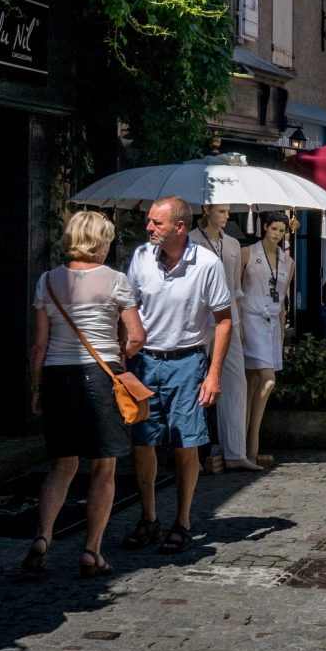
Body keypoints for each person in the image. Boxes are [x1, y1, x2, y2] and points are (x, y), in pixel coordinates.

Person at [24, 211, 145, 577]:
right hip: (100, 376)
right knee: (104, 467)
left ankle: (43, 536)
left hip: (59, 377)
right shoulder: (116, 281)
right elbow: (137, 336)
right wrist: (122, 352)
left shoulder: (47, 281)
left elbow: (39, 345)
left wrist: (37, 388)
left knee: (62, 464)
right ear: (100, 242)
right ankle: (92, 550)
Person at [123, 196, 234, 555]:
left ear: (180, 227)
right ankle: (149, 517)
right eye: (150, 222)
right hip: (144, 362)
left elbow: (223, 320)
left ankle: (182, 521)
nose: (149, 228)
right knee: (142, 441)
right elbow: (127, 310)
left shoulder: (206, 264)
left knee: (186, 442)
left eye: (156, 223)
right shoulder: (141, 258)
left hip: (187, 362)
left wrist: (214, 374)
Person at [189, 204, 257, 472]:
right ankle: (193, 450)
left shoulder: (231, 244)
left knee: (235, 381)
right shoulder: (192, 241)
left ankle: (235, 451)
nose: (227, 216)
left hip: (229, 319)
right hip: (200, 320)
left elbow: (235, 287)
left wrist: (238, 321)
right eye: (221, 211)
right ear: (207, 210)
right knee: (196, 379)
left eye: (228, 211)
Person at [240, 213, 293, 469]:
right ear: (264, 228)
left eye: (282, 230)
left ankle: (248, 449)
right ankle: (252, 440)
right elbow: (236, 291)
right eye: (274, 228)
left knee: (252, 384)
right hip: (250, 320)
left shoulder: (288, 262)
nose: (277, 234)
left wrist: (282, 334)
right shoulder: (247, 254)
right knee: (268, 379)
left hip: (271, 323)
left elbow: (283, 301)